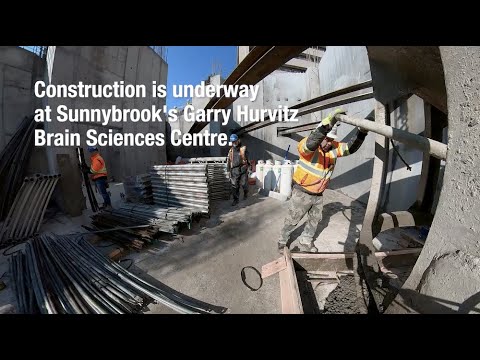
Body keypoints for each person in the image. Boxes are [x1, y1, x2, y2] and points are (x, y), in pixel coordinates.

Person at [277, 109, 369, 253]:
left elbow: (351, 148)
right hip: (302, 192)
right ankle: (282, 241)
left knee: (314, 221)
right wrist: (328, 123)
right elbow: (311, 143)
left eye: (331, 140)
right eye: (326, 139)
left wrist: (362, 133)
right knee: (293, 219)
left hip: (318, 194)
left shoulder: (333, 148)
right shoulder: (307, 146)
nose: (328, 143)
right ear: (321, 136)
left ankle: (305, 240)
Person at [227, 133, 250, 206]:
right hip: (234, 170)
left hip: (243, 168)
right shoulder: (231, 151)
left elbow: (247, 158)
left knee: (244, 183)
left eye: (235, 141)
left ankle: (246, 193)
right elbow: (228, 161)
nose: (234, 143)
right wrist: (228, 170)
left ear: (238, 140)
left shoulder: (243, 149)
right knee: (235, 185)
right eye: (233, 142)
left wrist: (249, 167)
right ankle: (235, 199)